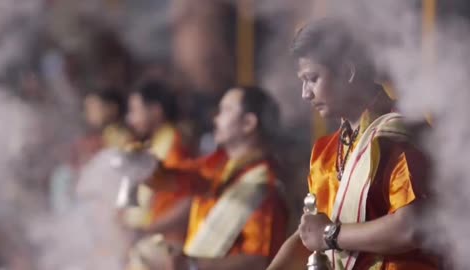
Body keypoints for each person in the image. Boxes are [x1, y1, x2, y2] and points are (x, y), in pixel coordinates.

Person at [267, 19, 437, 270]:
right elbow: (309, 235)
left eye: (312, 78)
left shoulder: (399, 134)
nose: (305, 93)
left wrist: (330, 234)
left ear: (348, 72)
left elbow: (410, 227)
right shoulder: (325, 152)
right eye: (302, 81)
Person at [139, 86, 288, 270]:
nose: (216, 118)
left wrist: (193, 266)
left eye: (226, 110)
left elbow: (259, 261)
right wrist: (140, 165)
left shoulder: (265, 183)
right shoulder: (218, 167)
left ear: (249, 123)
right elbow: (172, 178)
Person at [121, 80, 191, 238]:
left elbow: (188, 202)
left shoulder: (175, 145)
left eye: (135, 111)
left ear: (156, 111)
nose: (130, 119)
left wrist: (145, 231)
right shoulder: (153, 143)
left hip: (165, 240)